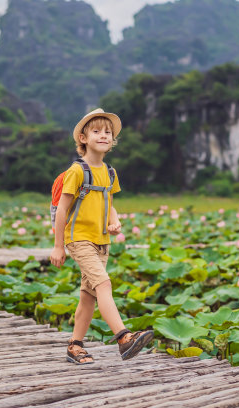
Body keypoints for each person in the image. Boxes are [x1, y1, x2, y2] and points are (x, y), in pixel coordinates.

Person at [50, 108, 154, 364]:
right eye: (96, 131)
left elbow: (110, 203)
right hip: (79, 239)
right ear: (83, 138)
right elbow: (62, 208)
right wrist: (58, 246)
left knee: (89, 296)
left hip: (102, 242)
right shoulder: (77, 171)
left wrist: (115, 220)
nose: (104, 135)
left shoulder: (109, 172)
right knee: (104, 284)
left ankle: (75, 346)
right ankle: (124, 338)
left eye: (108, 132)